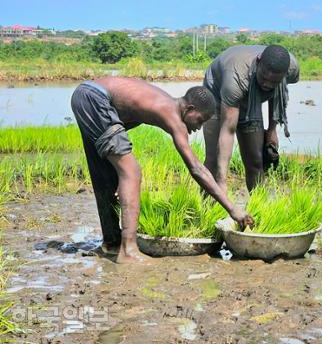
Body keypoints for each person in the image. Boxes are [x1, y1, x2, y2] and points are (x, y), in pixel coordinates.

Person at [70, 77, 254, 264]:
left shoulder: (166, 102)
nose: (198, 127)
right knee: (132, 173)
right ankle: (128, 250)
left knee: (106, 175)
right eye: (200, 120)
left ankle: (112, 243)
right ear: (189, 109)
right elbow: (197, 169)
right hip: (95, 99)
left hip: (86, 96)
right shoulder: (173, 117)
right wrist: (232, 208)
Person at [202, 44, 299, 194]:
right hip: (216, 95)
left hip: (251, 99)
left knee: (255, 161)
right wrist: (222, 181)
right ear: (258, 62)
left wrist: (272, 130)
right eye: (264, 78)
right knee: (213, 161)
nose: (267, 85)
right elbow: (228, 130)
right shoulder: (235, 78)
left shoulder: (292, 69)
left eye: (274, 82)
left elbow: (278, 93)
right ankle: (207, 210)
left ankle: (258, 210)